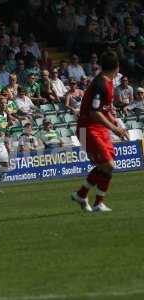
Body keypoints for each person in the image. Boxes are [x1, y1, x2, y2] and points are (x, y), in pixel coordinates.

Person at [71, 51, 129, 213]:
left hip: (99, 128)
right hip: (87, 128)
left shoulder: (109, 83)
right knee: (107, 165)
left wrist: (117, 124)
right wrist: (115, 128)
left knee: (108, 166)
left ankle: (88, 198)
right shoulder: (100, 84)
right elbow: (94, 113)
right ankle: (87, 197)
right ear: (117, 68)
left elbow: (106, 110)